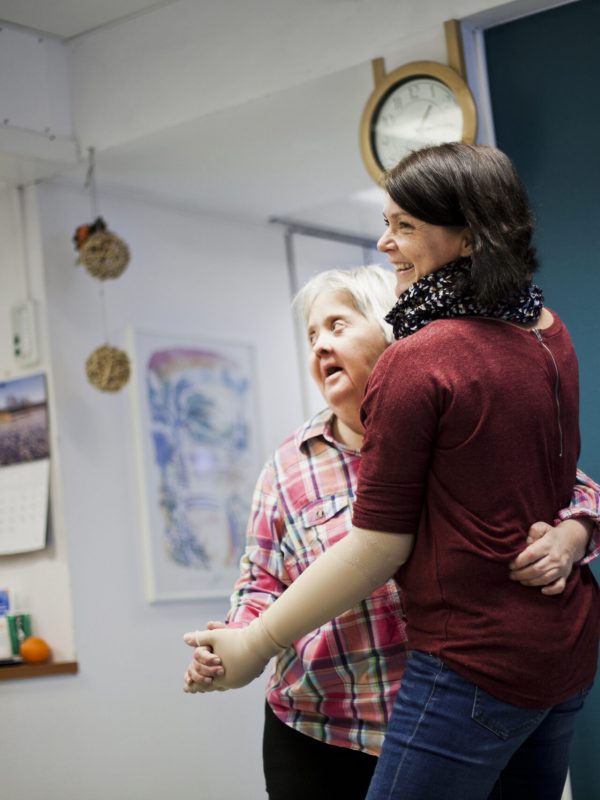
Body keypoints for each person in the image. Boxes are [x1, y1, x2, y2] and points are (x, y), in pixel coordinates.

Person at [184, 259, 600, 797]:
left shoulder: (457, 426)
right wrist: (229, 643)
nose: (319, 346)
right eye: (311, 335)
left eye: (337, 326)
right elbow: (261, 579)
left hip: (450, 719)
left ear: (389, 330)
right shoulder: (289, 467)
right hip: (319, 726)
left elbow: (579, 491)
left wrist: (575, 536)